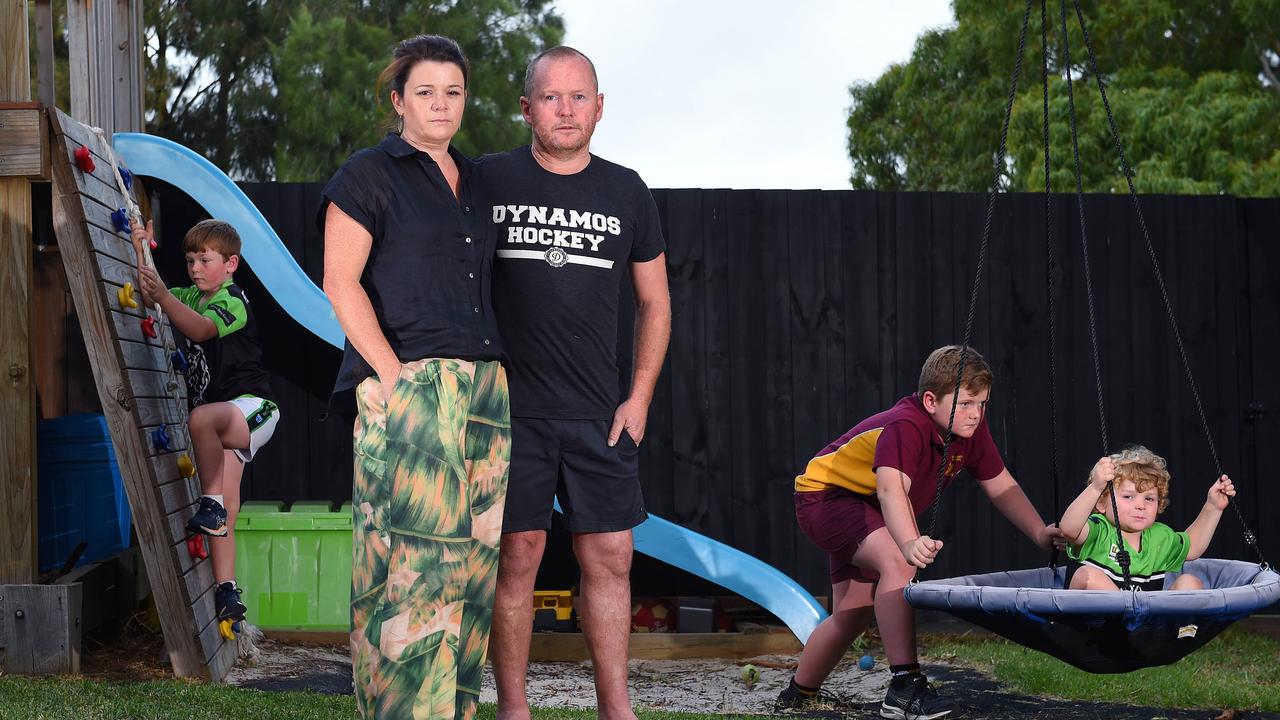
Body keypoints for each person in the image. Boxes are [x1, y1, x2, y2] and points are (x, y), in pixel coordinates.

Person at [319, 35, 509, 720]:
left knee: (473, 573)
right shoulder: (369, 173)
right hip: (411, 383)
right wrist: (396, 377)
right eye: (425, 91)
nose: (441, 104)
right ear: (398, 100)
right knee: (413, 572)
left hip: (486, 392)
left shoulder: (478, 180)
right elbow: (340, 282)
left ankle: (453, 711)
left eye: (453, 92)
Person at [478, 46, 671, 720]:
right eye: (551, 98)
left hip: (599, 413)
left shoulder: (627, 191)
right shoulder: (487, 181)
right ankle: (513, 709)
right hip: (511, 412)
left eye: (579, 97)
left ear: (599, 106)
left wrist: (639, 397)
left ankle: (616, 710)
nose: (566, 110)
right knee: (518, 557)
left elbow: (656, 303)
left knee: (612, 557)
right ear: (525, 107)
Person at [779, 345, 1061, 720]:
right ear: (930, 400)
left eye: (983, 404)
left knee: (853, 614)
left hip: (866, 507)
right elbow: (890, 488)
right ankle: (904, 687)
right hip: (827, 498)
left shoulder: (969, 432)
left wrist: (1040, 532)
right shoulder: (906, 425)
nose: (976, 414)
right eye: (966, 404)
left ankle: (799, 693)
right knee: (898, 560)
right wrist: (908, 542)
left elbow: (1000, 484)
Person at [134, 218, 280, 624]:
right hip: (224, 423)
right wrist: (140, 247)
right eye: (189, 260)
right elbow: (153, 294)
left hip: (255, 409)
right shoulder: (189, 295)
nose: (195, 268)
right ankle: (227, 591)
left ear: (231, 264)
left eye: (205, 259)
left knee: (200, 419)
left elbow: (198, 329)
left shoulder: (232, 300)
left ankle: (210, 502)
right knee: (226, 509)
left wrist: (164, 296)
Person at [1060, 445, 1235, 591]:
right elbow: (1068, 529)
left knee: (1190, 582)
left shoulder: (1159, 536)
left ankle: (1180, 631)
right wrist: (1095, 488)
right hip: (1094, 625)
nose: (1140, 505)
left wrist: (1212, 507)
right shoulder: (1098, 530)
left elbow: (1193, 547)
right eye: (1128, 496)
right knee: (1089, 576)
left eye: (1149, 498)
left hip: (1147, 628)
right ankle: (1126, 613)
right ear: (1101, 503)